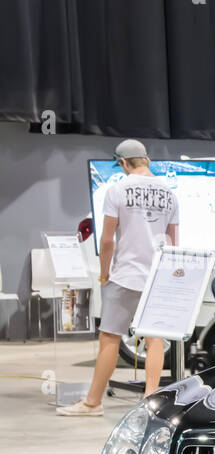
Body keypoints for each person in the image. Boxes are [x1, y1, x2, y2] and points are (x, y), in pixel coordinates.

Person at [58, 139, 177, 416]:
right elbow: (173, 240)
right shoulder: (170, 193)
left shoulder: (117, 190)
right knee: (154, 339)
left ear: (123, 162)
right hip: (156, 275)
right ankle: (151, 402)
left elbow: (108, 239)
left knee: (110, 337)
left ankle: (93, 402)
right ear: (145, 159)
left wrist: (103, 273)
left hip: (125, 275)